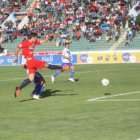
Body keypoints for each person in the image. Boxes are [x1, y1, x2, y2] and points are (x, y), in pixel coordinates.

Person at [14, 33, 66, 98]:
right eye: (36, 37)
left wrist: (48, 37)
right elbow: (16, 49)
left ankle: (19, 88)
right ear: (32, 37)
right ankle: (62, 67)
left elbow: (43, 41)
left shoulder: (34, 42)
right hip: (32, 61)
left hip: (29, 64)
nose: (36, 39)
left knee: (31, 79)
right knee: (48, 65)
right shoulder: (25, 43)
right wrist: (16, 57)